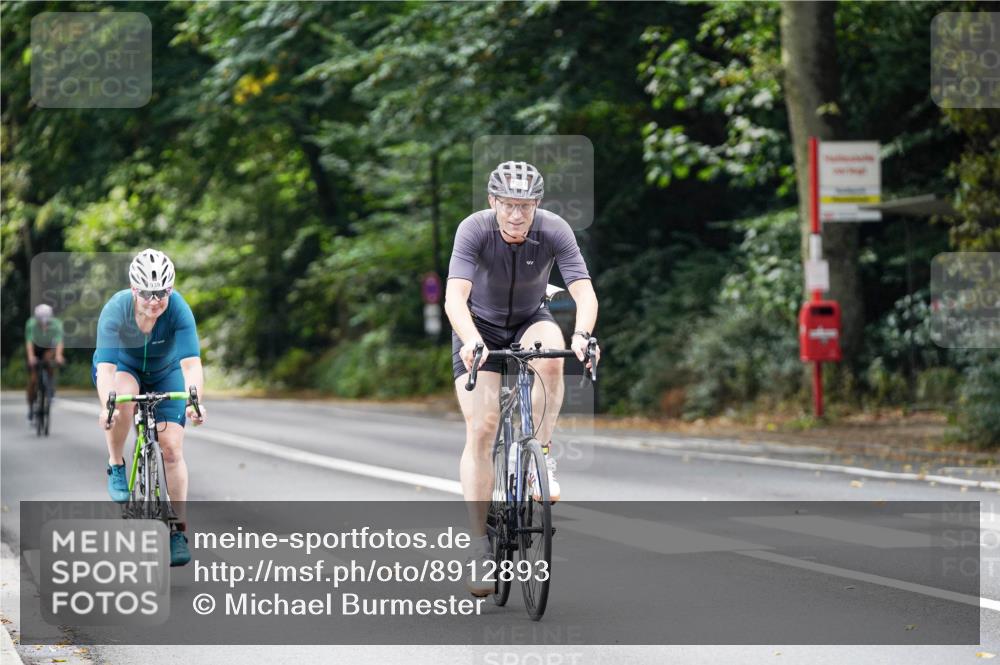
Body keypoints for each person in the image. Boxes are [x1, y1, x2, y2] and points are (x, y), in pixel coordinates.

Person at [444, 160, 600, 596]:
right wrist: (471, 340)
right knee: (483, 427)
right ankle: (479, 545)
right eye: (508, 205)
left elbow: (584, 291)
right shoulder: (474, 229)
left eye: (526, 206)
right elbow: (455, 297)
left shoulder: (554, 229)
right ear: (493, 201)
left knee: (551, 357)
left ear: (537, 205)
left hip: (532, 317)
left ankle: (540, 455)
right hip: (479, 327)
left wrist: (583, 335)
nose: (516, 214)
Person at [93, 249, 206, 566]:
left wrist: (195, 401)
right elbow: (106, 370)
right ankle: (116, 463)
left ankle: (178, 530)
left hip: (165, 372)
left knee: (171, 450)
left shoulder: (178, 310)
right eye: (146, 293)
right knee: (124, 401)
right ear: (134, 290)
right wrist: (108, 407)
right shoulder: (116, 309)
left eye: (162, 293)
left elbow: (191, 364)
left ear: (171, 289)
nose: (154, 301)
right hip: (123, 368)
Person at [25, 303, 65, 422]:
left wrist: (58, 356)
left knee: (50, 362)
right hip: (35, 348)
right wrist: (31, 357)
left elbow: (59, 341)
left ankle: (50, 390)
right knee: (33, 379)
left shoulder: (56, 324)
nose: (44, 325)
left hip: (48, 348)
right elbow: (29, 342)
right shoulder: (31, 324)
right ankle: (31, 406)